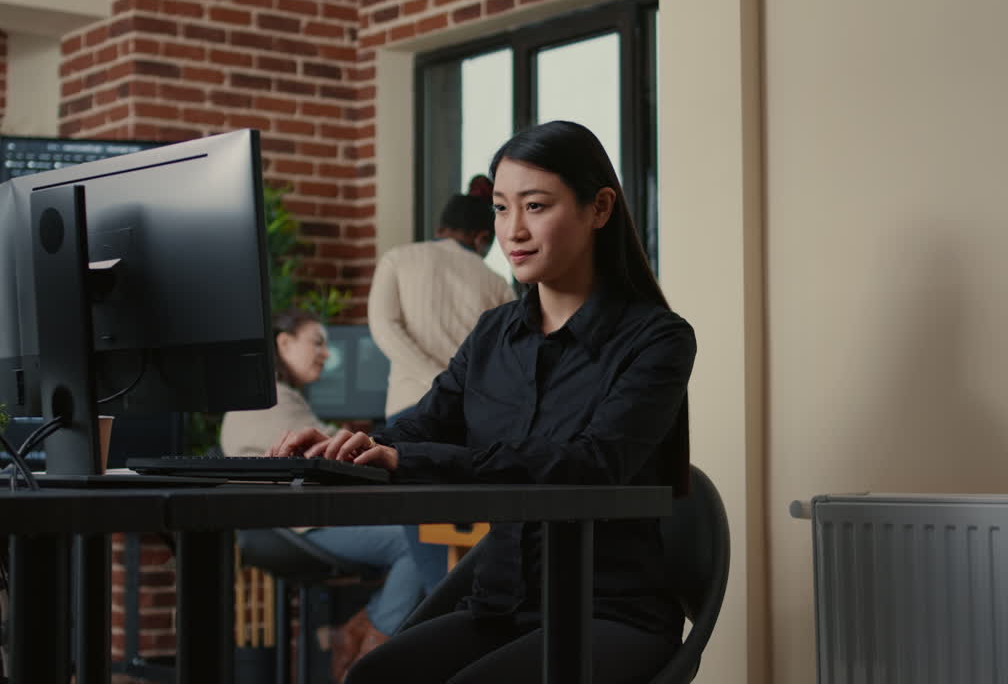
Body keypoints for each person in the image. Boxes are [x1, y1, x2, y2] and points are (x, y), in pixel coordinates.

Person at [270, 120, 697, 684]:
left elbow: (592, 464)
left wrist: (411, 459)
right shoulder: (494, 333)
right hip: (501, 607)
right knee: (373, 677)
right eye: (500, 208)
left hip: (609, 612)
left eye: (535, 206)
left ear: (599, 208)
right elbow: (426, 425)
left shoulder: (658, 339)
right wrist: (343, 450)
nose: (512, 231)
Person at [220, 309, 427, 682]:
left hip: (280, 525)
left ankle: (360, 632)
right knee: (414, 544)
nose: (326, 354)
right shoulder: (274, 401)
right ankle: (370, 653)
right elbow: (332, 454)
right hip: (295, 526)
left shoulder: (274, 399)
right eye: (316, 342)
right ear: (284, 343)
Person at [367, 177, 514, 424]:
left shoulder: (397, 259)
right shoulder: (498, 282)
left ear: (440, 229)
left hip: (410, 406)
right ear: (481, 238)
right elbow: (507, 355)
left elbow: (384, 328)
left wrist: (437, 379)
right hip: (470, 410)